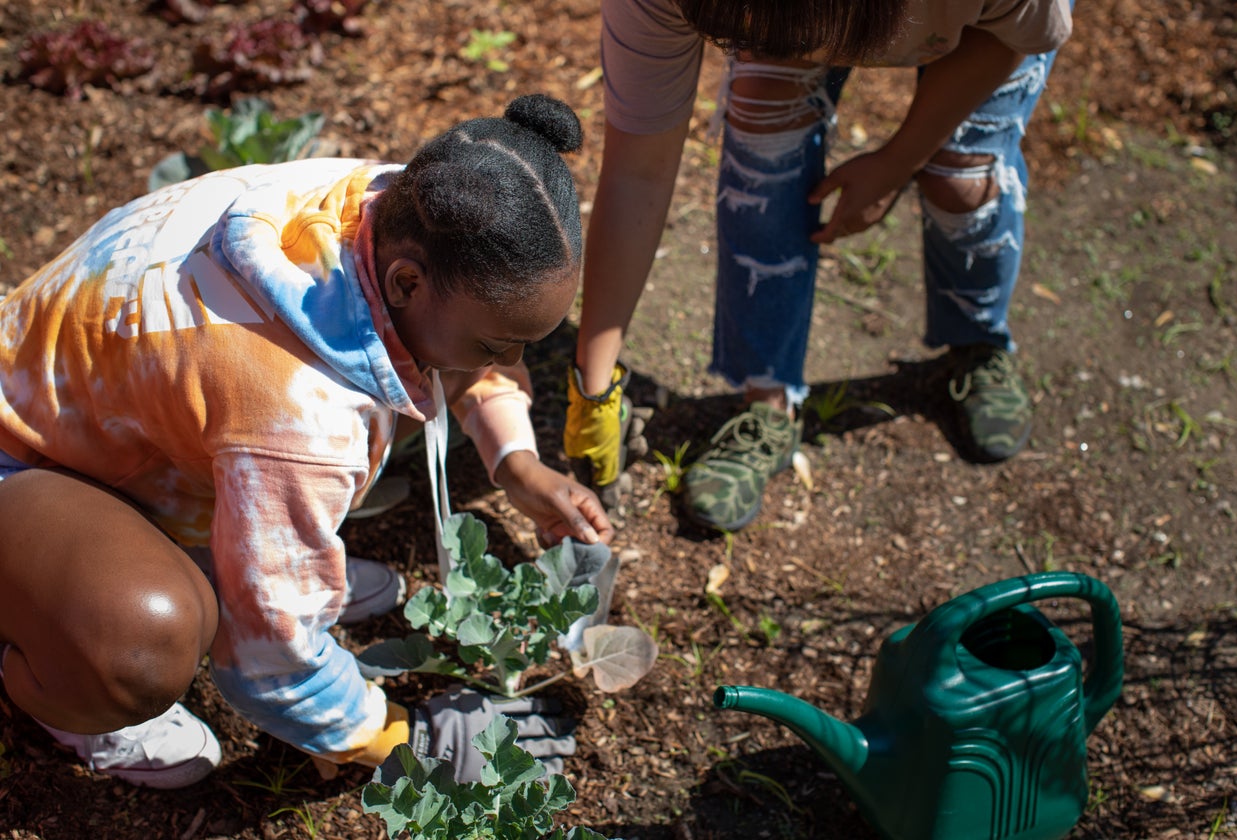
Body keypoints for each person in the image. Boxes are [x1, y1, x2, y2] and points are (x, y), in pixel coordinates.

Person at [0, 93, 611, 789]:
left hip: (85, 408)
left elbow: (481, 339)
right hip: (20, 465)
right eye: (496, 346)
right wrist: (397, 735)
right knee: (146, 641)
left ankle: (224, 554)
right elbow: (272, 655)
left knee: (271, 527)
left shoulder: (387, 205)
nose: (503, 360)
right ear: (407, 282)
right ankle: (60, 669)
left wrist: (516, 461)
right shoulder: (294, 412)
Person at [563, 0, 1073, 531]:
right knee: (763, 137)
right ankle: (768, 401)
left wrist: (900, 160)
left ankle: (978, 343)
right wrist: (594, 389)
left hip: (985, 24)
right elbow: (637, 173)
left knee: (962, 178)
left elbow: (1013, 36)